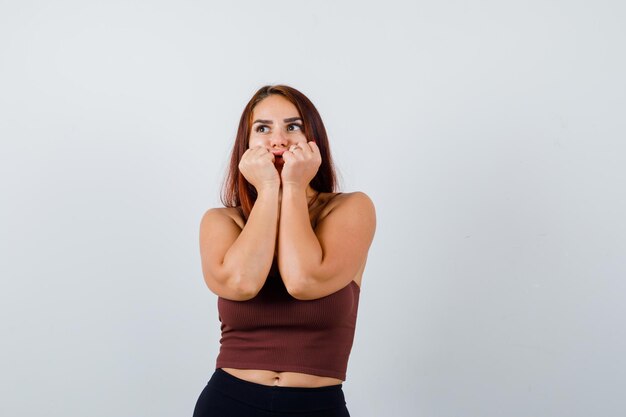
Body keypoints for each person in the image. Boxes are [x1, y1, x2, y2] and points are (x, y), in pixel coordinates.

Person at [192, 85, 376, 417]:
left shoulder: (350, 209)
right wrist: (267, 189)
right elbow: (241, 283)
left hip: (317, 406)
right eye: (263, 128)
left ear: (313, 138)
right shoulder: (221, 221)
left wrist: (291, 185)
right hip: (228, 402)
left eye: (293, 127)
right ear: (245, 145)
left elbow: (303, 280)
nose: (279, 140)